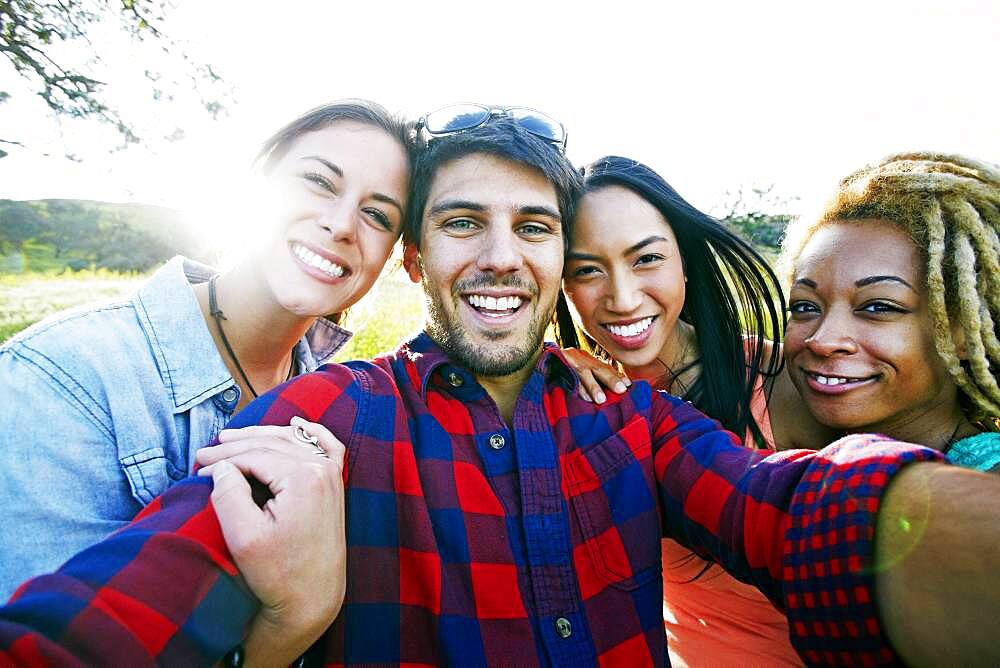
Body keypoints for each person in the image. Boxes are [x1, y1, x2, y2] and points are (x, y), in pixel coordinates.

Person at [2, 107, 999, 667]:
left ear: (559, 256)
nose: (497, 255)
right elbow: (119, 609)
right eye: (460, 222)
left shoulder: (635, 416)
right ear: (414, 261)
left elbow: (782, 506)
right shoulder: (330, 414)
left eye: (531, 226)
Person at [0, 99, 413, 599]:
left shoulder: (334, 403)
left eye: (376, 214)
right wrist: (296, 618)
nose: (343, 224)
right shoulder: (64, 375)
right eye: (319, 182)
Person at [559, 156, 831, 665]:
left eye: (646, 259)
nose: (622, 298)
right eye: (587, 270)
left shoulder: (779, 378)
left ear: (684, 258)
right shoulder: (579, 397)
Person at [779, 152, 1000, 470]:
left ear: (964, 333)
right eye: (805, 306)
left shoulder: (984, 488)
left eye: (878, 307)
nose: (822, 341)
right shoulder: (809, 451)